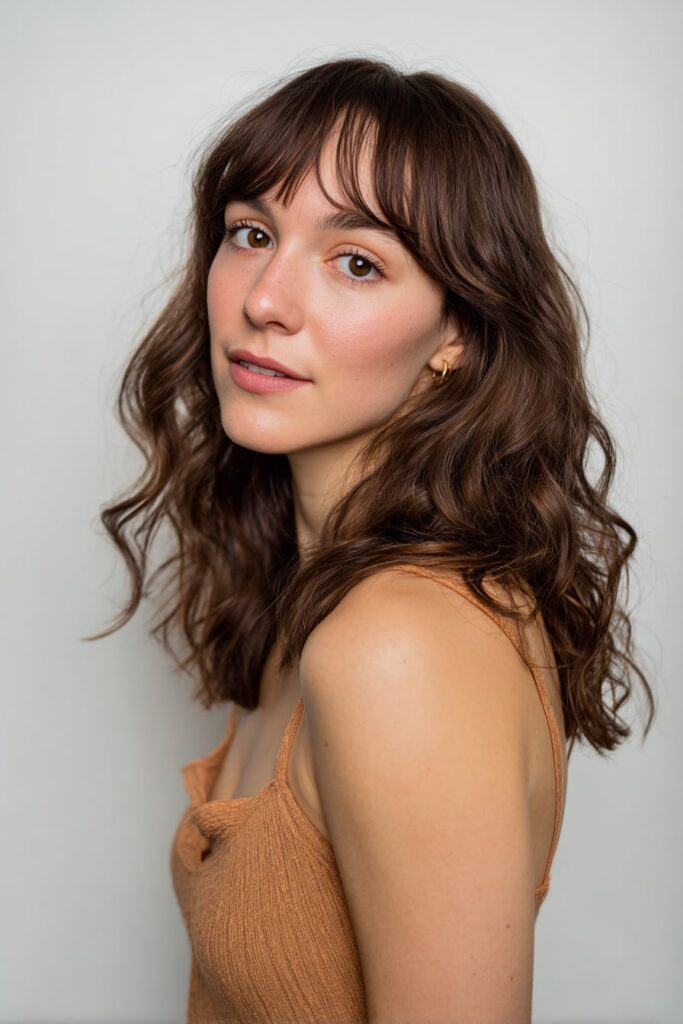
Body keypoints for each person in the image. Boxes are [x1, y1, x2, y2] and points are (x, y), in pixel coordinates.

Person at [87, 55, 655, 1024]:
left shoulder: (396, 643)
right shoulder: (329, 598)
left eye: (356, 261)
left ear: (456, 334)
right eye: (250, 233)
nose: (264, 298)